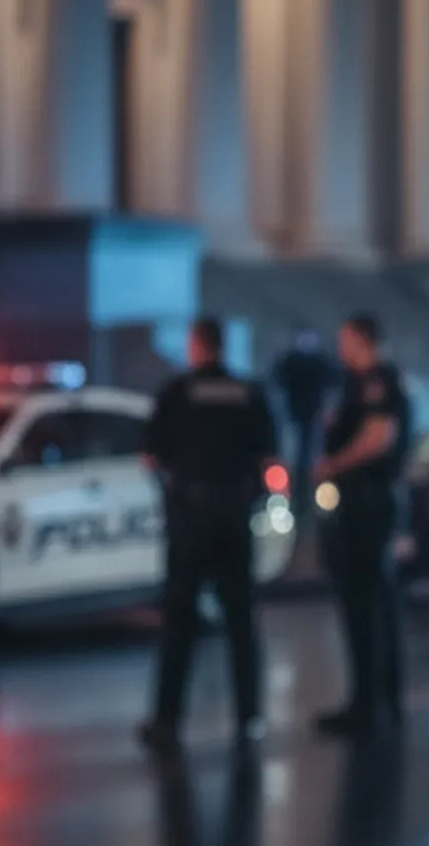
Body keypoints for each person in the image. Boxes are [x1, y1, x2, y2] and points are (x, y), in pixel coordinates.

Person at [138, 317, 281, 754]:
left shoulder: (177, 393)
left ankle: (167, 720)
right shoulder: (250, 394)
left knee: (179, 620)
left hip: (192, 517)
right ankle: (250, 715)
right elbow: (271, 462)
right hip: (236, 516)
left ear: (197, 346)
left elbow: (150, 459)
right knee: (241, 619)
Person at [314, 312, 413, 738]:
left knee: (367, 601)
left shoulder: (377, 383)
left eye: (346, 340)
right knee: (363, 602)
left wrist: (334, 462)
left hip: (367, 501)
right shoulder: (355, 383)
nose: (341, 348)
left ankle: (373, 703)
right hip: (358, 500)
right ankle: (370, 699)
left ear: (362, 340)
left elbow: (378, 438)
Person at [274, 327, 337, 501]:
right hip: (295, 419)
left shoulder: (312, 362)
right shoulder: (294, 362)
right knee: (295, 459)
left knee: (307, 459)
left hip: (308, 420)